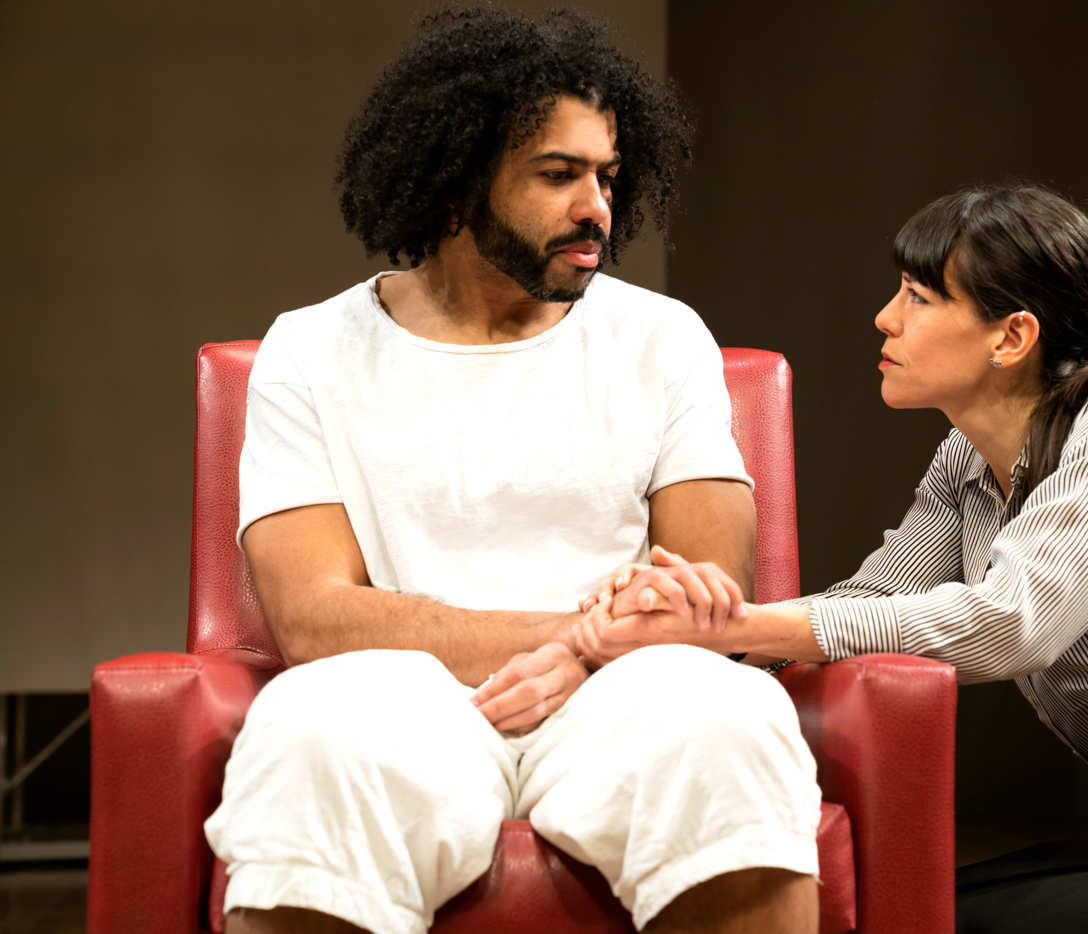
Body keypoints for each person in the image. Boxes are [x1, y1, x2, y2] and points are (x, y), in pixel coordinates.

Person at [578, 184, 1088, 931]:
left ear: (1012, 336)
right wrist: (690, 630)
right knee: (912, 912)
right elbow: (871, 605)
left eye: (918, 297)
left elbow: (1013, 624)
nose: (885, 319)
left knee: (954, 925)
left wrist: (740, 625)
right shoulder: (964, 458)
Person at [203, 8, 822, 934]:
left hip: (623, 686)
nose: (597, 209)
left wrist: (586, 656)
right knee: (308, 734)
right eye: (559, 175)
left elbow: (708, 597)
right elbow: (314, 618)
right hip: (404, 688)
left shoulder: (662, 338)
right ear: (456, 182)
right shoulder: (311, 351)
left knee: (729, 721)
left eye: (607, 176)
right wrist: (578, 631)